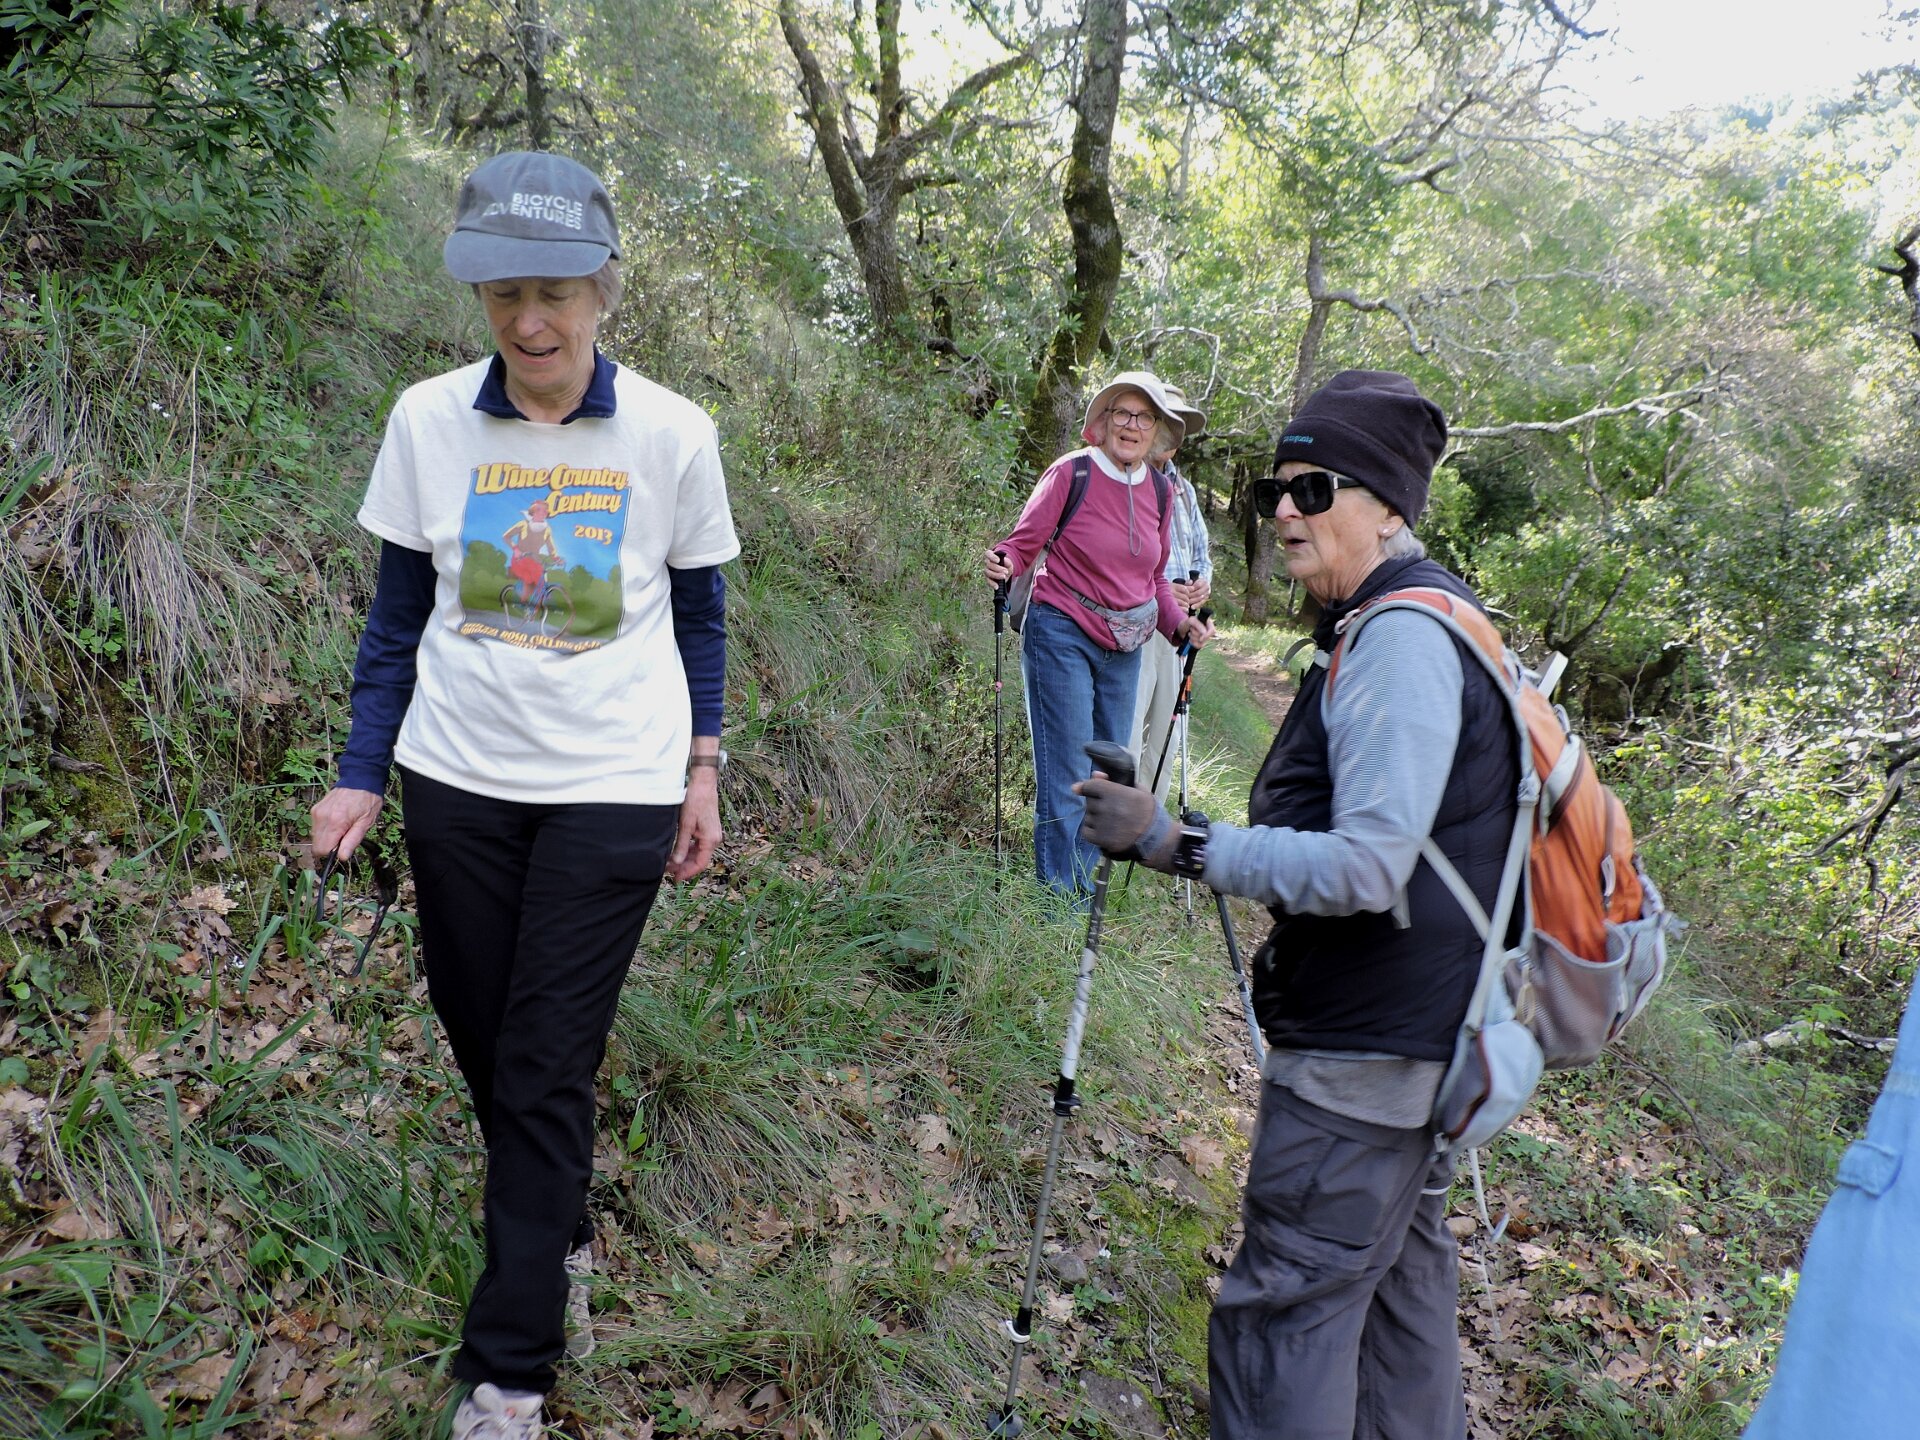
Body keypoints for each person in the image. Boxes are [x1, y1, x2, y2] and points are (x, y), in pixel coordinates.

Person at [308, 151, 740, 1440]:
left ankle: (509, 1372)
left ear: (604, 289)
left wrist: (703, 770)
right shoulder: (426, 419)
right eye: (505, 294)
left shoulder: (671, 433)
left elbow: (702, 618)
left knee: (548, 1057)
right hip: (455, 776)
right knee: (483, 1031)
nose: (530, 322)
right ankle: (558, 1222)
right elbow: (396, 619)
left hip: (614, 784)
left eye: (554, 292)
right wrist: (360, 773)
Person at [1077, 371, 1509, 1440]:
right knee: (1399, 1304)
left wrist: (1176, 843)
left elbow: (1369, 868)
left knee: (1286, 1318)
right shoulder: (1429, 618)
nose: (1283, 510)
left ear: (1389, 508)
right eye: (1278, 488)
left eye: (1314, 490)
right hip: (1427, 1039)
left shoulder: (1401, 637)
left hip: (1370, 1056)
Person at [983, 371, 1215, 896]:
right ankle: (1058, 897)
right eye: (1122, 413)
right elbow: (1022, 543)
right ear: (1103, 421)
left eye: (1144, 417)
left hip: (1126, 645)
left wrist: (1180, 625)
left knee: (1110, 773)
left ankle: (1082, 885)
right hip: (1061, 628)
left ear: (1157, 431)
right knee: (1068, 768)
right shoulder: (1072, 473)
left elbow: (1155, 579)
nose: (1132, 425)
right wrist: (1004, 562)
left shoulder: (1161, 490)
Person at [1128, 380, 1214, 804]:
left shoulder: (1186, 490)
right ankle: (1112, 823)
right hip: (1141, 623)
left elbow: (1202, 553)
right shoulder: (1127, 478)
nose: (1175, 435)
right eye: (1169, 422)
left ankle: (1144, 823)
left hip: (1179, 634)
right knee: (1128, 732)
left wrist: (1201, 586)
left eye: (1182, 427)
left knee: (1166, 735)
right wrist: (1164, 593)